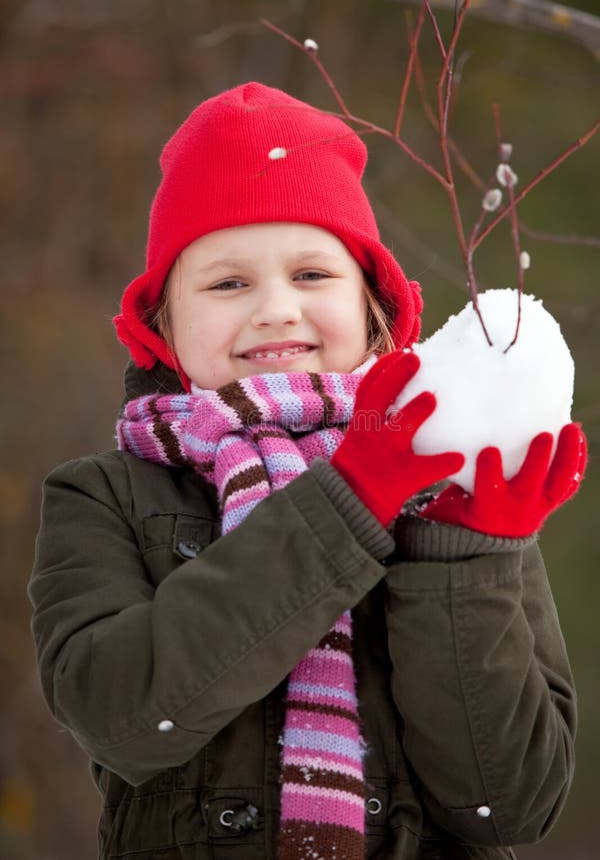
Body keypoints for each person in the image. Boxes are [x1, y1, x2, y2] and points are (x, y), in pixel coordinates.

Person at [29, 82, 586, 860]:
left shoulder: (450, 488)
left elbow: (508, 805)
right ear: (160, 326)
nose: (276, 309)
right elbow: (123, 716)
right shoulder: (104, 495)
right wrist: (350, 499)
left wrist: (466, 557)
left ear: (374, 307)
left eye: (313, 276)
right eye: (228, 283)